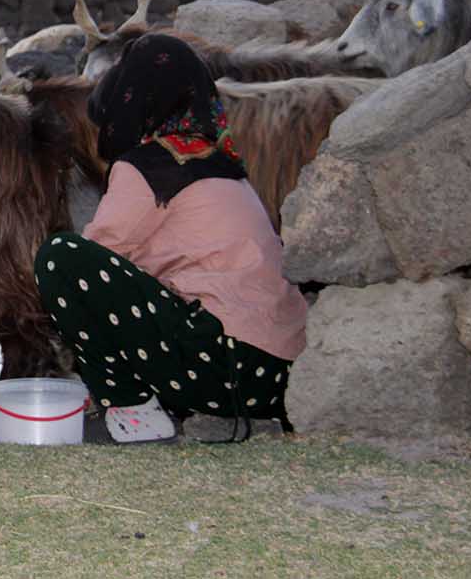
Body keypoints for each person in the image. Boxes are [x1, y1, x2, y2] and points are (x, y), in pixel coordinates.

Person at [34, 33, 308, 443]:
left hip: (226, 363)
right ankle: (157, 405)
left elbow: (94, 262)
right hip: (277, 375)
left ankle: (132, 413)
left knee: (61, 258)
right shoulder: (219, 161)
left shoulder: (147, 166)